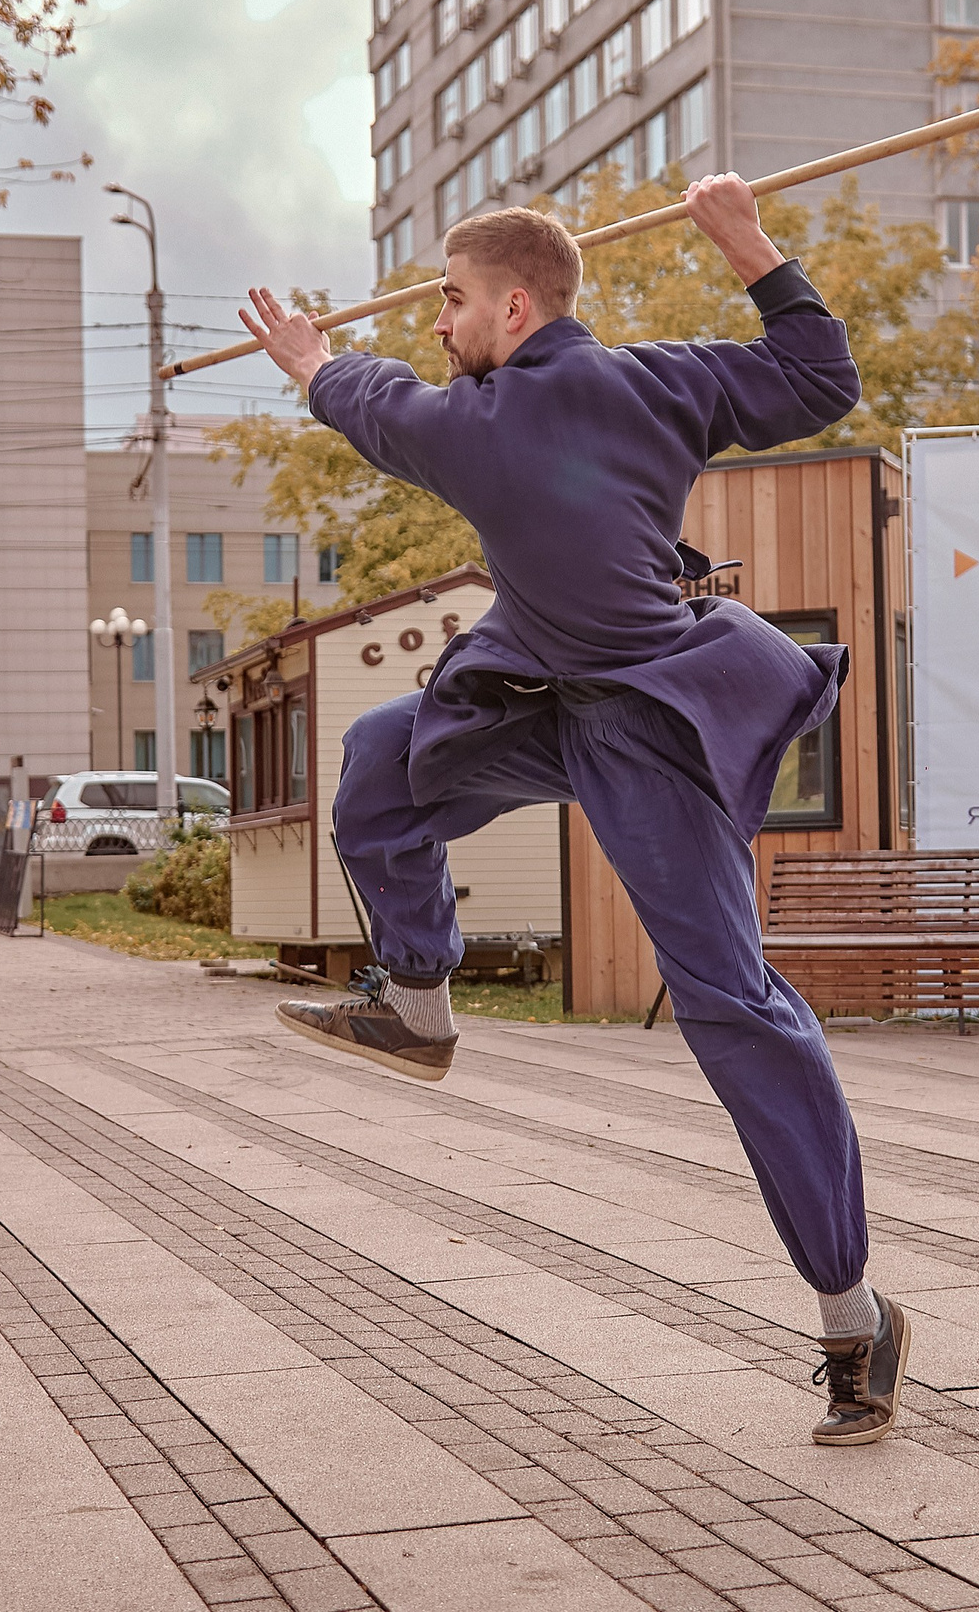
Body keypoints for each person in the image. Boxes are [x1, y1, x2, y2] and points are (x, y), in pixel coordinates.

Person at [232, 176, 906, 1446]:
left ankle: (852, 1318)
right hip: (535, 703)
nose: (438, 324)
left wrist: (311, 360)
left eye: (451, 300)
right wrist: (745, 243)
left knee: (733, 1008)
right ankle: (418, 1002)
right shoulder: (662, 380)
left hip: (646, 732)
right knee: (381, 758)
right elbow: (816, 378)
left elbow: (374, 404)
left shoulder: (484, 420)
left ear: (514, 308)